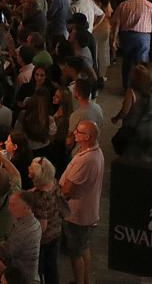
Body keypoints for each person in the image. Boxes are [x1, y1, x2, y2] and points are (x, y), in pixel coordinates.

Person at [59, 121, 104, 284]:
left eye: (79, 132)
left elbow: (67, 190)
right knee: (83, 248)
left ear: (88, 137)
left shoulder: (86, 160)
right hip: (87, 212)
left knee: (75, 253)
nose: (75, 133)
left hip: (77, 214)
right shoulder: (95, 152)